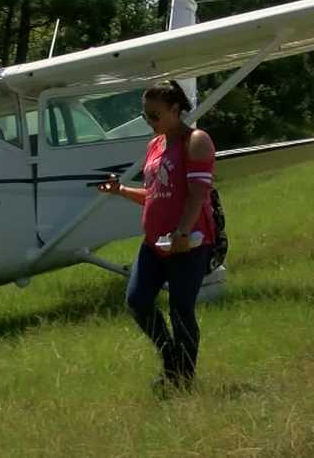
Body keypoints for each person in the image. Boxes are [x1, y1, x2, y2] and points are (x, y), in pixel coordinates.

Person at [99, 80, 216, 394]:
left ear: (176, 110)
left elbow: (197, 194)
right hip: (154, 243)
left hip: (187, 243)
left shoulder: (196, 141)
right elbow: (155, 194)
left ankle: (183, 379)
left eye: (155, 115)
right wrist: (121, 190)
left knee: (181, 310)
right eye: (145, 115)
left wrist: (181, 232)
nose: (149, 122)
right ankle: (171, 359)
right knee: (137, 301)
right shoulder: (156, 145)